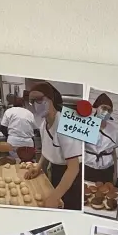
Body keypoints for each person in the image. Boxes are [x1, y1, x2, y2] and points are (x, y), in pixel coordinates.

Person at [29, 82, 82, 210]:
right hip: (57, 171)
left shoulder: (65, 124)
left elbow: (73, 168)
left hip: (71, 177)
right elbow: (47, 150)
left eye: (39, 99)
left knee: (68, 207)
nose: (36, 104)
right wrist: (38, 167)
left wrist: (55, 197)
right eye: (33, 101)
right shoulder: (44, 124)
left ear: (51, 99)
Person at [83, 93, 118, 185]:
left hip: (107, 169)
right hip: (88, 166)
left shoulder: (113, 129)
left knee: (105, 194)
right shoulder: (86, 124)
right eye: (104, 108)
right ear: (97, 108)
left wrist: (115, 173)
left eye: (109, 110)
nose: (106, 112)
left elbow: (113, 153)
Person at [0, 94, 40, 162]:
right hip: (27, 143)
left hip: (13, 141)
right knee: (27, 163)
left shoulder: (9, 111)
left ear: (13, 104)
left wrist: (9, 135)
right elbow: (35, 129)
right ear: (23, 104)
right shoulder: (29, 113)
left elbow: (3, 127)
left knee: (14, 162)